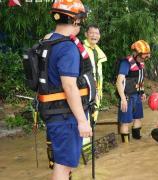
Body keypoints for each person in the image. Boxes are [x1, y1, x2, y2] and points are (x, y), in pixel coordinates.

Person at [39, 0, 94, 179]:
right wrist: (82, 121)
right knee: (63, 166)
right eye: (80, 20)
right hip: (66, 116)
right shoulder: (68, 47)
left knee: (64, 164)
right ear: (75, 21)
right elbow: (69, 86)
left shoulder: (48, 41)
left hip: (54, 113)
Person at [116, 40, 151, 143]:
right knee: (125, 122)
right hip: (127, 97)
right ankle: (125, 146)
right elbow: (119, 82)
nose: (144, 58)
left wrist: (142, 92)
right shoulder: (126, 63)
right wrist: (123, 99)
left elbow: (138, 79)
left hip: (137, 95)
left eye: (146, 56)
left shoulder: (141, 64)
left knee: (138, 118)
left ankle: (136, 143)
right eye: (142, 56)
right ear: (135, 53)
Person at [83, 25, 107, 147]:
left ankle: (88, 146)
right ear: (86, 34)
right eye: (91, 33)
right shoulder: (80, 49)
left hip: (96, 92)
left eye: (96, 33)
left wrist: (98, 91)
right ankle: (84, 148)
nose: (94, 35)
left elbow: (99, 75)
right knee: (85, 118)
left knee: (93, 117)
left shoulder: (97, 51)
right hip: (86, 91)